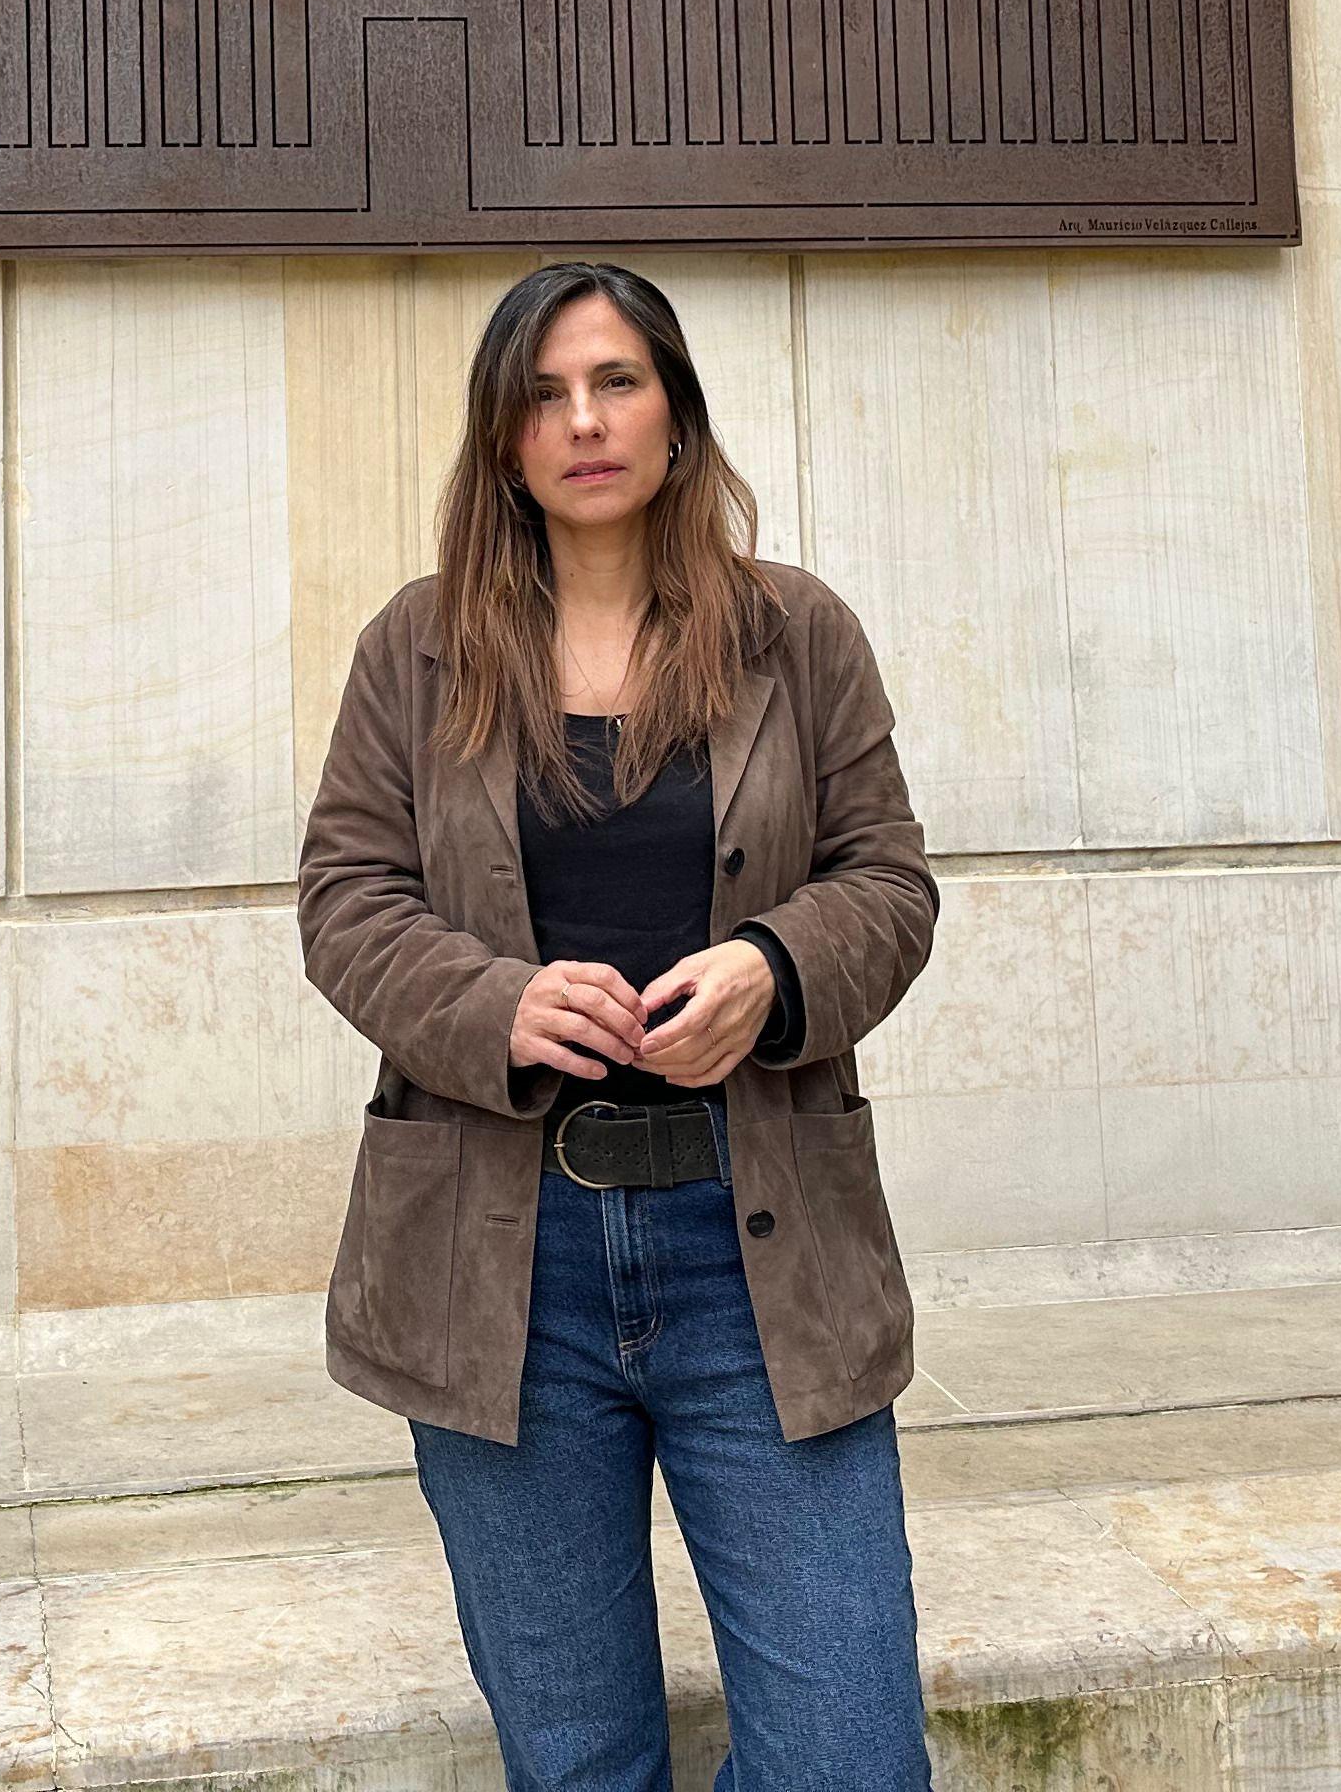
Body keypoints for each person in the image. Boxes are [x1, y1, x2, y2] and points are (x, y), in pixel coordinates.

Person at [298, 260, 941, 1790]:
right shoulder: (416, 648)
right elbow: (346, 900)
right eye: (544, 395)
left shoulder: (797, 633)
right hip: (503, 1269)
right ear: (503, 438)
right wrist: (499, 1003)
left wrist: (773, 969)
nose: (583, 421)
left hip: (757, 1249)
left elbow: (890, 882)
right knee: (580, 1763)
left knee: (850, 1760)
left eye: (616, 382)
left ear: (676, 413)